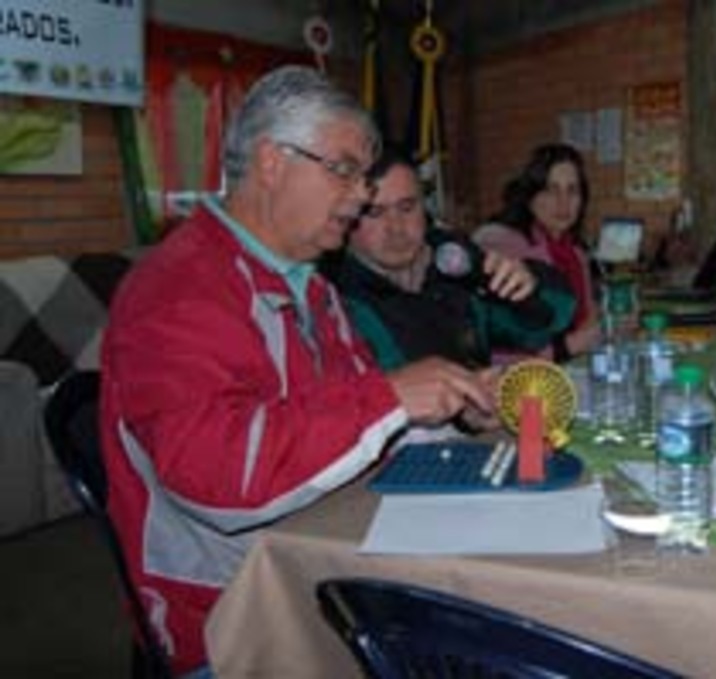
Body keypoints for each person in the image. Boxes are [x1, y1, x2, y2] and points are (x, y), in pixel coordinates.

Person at [100, 66, 493, 677]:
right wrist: (392, 398)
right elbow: (215, 478)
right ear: (271, 162)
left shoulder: (310, 285)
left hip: (325, 563)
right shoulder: (178, 288)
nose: (362, 194)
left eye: (364, 176)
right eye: (344, 169)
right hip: (229, 617)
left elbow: (353, 422)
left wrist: (449, 410)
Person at [318, 147, 576, 374]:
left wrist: (529, 289)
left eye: (407, 207)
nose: (396, 228)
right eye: (374, 212)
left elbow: (535, 330)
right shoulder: (328, 300)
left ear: (425, 207)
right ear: (347, 216)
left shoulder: (456, 265)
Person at [475, 143, 601, 362]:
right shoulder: (499, 243)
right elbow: (495, 347)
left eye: (573, 190)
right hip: (512, 382)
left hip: (568, 369)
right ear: (530, 196)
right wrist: (571, 345)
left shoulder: (576, 253)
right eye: (551, 190)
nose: (564, 203)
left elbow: (587, 318)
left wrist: (610, 321)